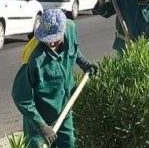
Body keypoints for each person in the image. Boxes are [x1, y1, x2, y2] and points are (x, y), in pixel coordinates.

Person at [11, 9, 97, 148]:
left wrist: (84, 64)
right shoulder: (33, 59)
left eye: (55, 39)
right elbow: (22, 98)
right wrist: (42, 126)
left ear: (63, 30)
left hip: (64, 110)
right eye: (47, 40)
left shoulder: (70, 28)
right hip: (39, 120)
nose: (51, 44)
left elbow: (73, 49)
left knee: (69, 144)